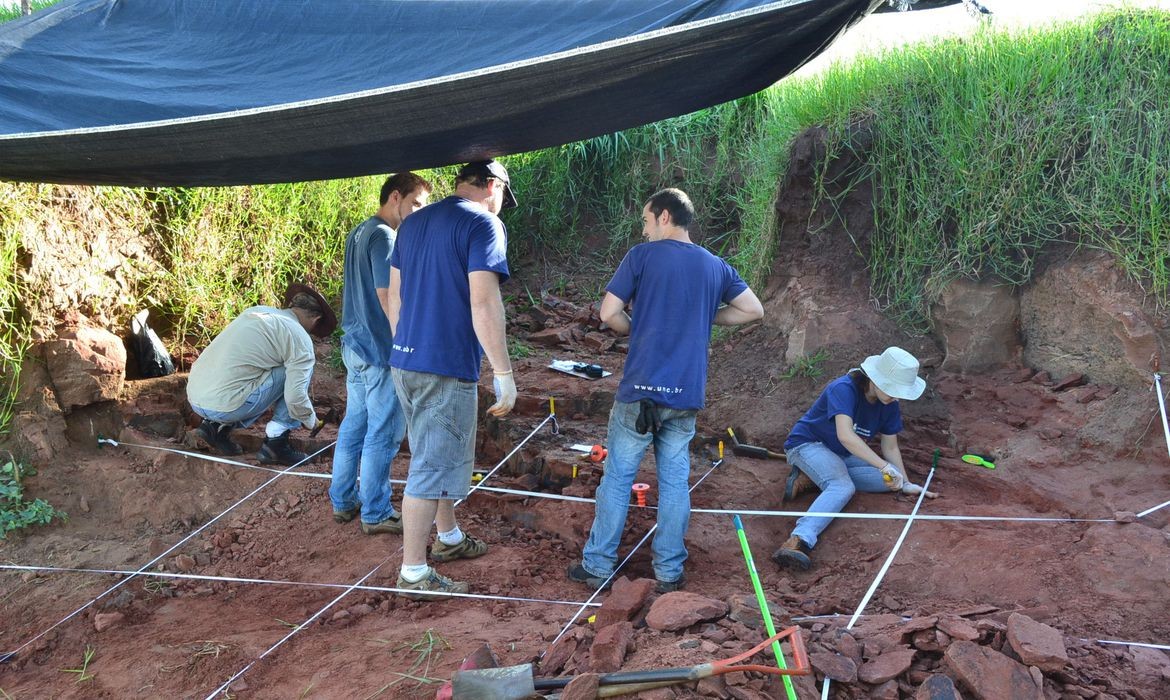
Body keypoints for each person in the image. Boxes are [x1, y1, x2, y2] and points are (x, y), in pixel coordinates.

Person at [567, 188, 764, 593]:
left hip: (639, 390)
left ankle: (598, 566)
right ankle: (669, 572)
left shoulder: (641, 257)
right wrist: (705, 319)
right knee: (675, 482)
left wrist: (636, 327)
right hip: (684, 395)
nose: (643, 229)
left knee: (618, 479)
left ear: (663, 217)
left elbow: (608, 312)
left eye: (645, 220)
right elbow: (753, 310)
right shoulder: (715, 267)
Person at [388, 159, 518, 598]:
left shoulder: (413, 223)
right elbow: (484, 303)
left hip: (405, 360)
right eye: (502, 196)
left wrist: (403, 346)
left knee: (434, 452)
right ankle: (413, 573)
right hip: (444, 365)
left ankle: (449, 538)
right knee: (429, 467)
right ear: (492, 186)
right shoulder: (483, 225)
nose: (500, 206)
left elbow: (397, 297)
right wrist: (503, 371)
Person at [330, 172, 433, 535]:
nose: (419, 212)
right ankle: (375, 512)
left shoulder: (359, 231)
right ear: (395, 197)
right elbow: (387, 293)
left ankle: (343, 501)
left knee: (354, 426)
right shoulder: (386, 237)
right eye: (416, 203)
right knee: (383, 432)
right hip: (377, 350)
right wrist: (401, 345)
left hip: (354, 345)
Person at [772, 346, 938, 571]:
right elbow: (846, 436)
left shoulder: (889, 404)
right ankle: (799, 540)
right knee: (842, 486)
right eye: (892, 389)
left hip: (842, 455)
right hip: (808, 445)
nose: (896, 396)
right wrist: (883, 465)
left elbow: (890, 446)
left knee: (889, 482)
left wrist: (904, 482)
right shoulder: (843, 389)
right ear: (875, 379)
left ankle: (812, 477)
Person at [188, 283, 336, 466]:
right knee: (293, 371)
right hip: (224, 405)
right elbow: (295, 397)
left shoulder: (258, 311)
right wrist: (312, 421)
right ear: (316, 320)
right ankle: (276, 444)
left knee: (251, 369)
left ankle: (213, 428)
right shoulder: (299, 337)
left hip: (195, 396)